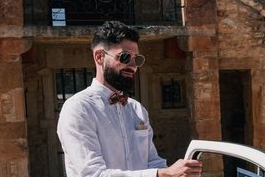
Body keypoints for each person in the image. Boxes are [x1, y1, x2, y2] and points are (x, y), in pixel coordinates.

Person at [57, 20, 203, 177]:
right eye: (125, 57)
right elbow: (92, 174)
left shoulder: (137, 109)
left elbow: (152, 162)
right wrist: (162, 174)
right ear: (100, 57)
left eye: (137, 59)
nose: (133, 65)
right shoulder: (78, 109)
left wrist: (177, 173)